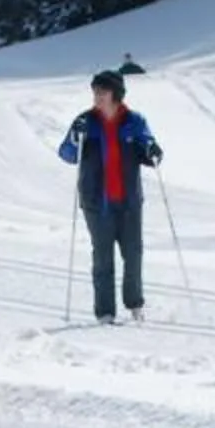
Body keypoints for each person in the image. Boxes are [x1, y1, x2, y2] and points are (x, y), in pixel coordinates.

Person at [57, 71, 161, 324]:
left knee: (133, 253)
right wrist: (74, 138)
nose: (97, 97)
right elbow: (67, 154)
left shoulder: (134, 121)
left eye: (102, 92)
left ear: (116, 94)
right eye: (95, 92)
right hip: (96, 201)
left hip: (129, 201)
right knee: (103, 256)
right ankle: (105, 312)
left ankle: (135, 303)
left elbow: (149, 150)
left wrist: (152, 150)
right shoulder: (85, 122)